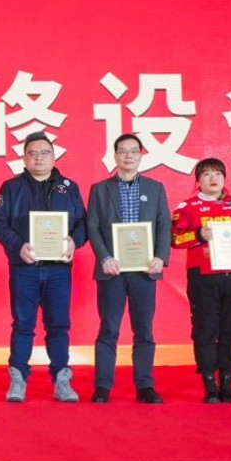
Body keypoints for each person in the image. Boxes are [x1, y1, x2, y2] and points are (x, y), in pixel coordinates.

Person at [0, 131, 87, 403]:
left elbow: (83, 223)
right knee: (23, 325)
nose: (39, 158)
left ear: (53, 157)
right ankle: (18, 380)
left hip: (59, 270)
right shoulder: (11, 187)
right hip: (24, 268)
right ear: (24, 158)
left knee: (58, 326)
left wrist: (74, 240)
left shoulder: (69, 187)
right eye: (32, 153)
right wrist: (17, 245)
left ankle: (61, 381)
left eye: (44, 153)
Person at [85, 133, 171, 404]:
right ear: (115, 156)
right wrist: (104, 257)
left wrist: (161, 257)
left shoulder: (155, 188)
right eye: (123, 151)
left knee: (144, 330)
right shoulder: (100, 189)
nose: (128, 155)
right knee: (108, 329)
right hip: (112, 270)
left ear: (141, 155)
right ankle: (102, 386)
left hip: (144, 271)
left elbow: (164, 226)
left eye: (134, 151)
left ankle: (145, 386)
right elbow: (92, 227)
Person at [171, 157, 231, 404]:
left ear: (224, 178)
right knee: (205, 328)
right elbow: (174, 239)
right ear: (198, 181)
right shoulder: (187, 207)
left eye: (218, 174)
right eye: (206, 174)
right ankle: (209, 383)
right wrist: (199, 235)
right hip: (203, 277)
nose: (213, 179)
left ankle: (228, 381)